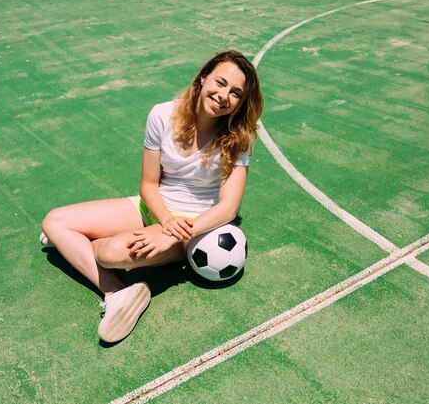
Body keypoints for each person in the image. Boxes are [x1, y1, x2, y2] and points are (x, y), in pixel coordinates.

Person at [40, 50, 264, 343]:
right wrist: (164, 220)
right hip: (155, 208)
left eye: (235, 93)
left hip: (192, 228)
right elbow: (148, 184)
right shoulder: (163, 114)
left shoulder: (239, 136)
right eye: (220, 83)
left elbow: (229, 207)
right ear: (203, 77)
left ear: (241, 102)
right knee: (54, 222)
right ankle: (118, 291)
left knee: (106, 253)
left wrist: (172, 235)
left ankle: (86, 256)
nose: (224, 95)